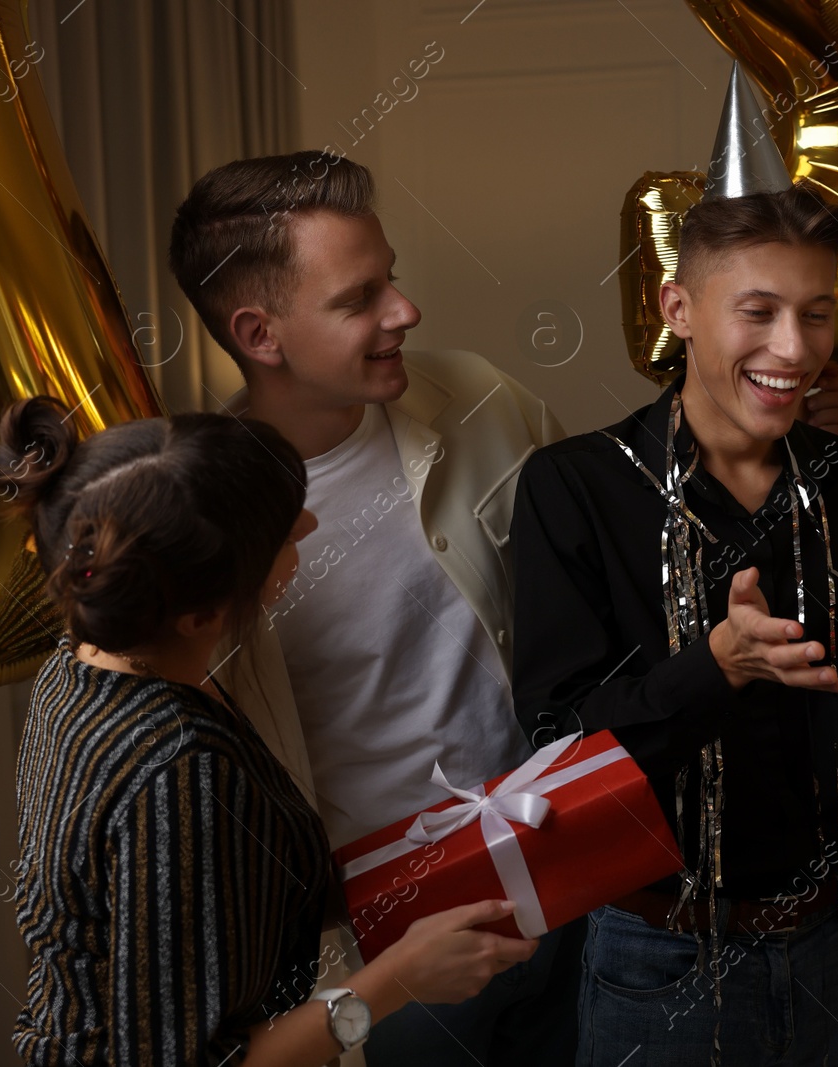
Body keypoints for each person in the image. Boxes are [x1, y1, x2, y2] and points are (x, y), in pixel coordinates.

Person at [511, 182, 838, 1065]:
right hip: (657, 958)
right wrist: (713, 668)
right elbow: (557, 747)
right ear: (680, 309)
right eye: (759, 311)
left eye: (816, 314)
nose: (794, 348)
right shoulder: (575, 489)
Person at [168, 150, 579, 1066]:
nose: (404, 311)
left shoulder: (481, 396)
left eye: (389, 278)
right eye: (360, 300)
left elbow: (618, 540)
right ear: (260, 334)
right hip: (393, 956)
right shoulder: (205, 527)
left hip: (572, 886)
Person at [0, 396, 536, 1066]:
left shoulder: (78, 662)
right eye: (284, 534)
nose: (309, 524)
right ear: (203, 613)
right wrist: (395, 981)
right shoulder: (178, 769)